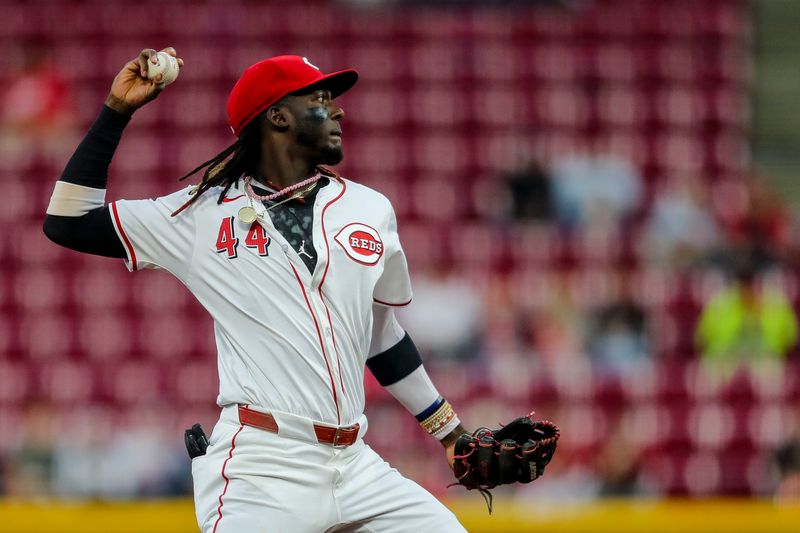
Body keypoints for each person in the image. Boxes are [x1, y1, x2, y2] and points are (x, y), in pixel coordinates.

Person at [43, 47, 474, 531]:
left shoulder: (370, 208)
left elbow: (379, 335)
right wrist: (116, 113)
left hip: (356, 464)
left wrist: (451, 434)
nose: (338, 109)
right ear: (278, 116)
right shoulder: (199, 214)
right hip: (261, 468)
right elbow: (67, 222)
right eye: (320, 98)